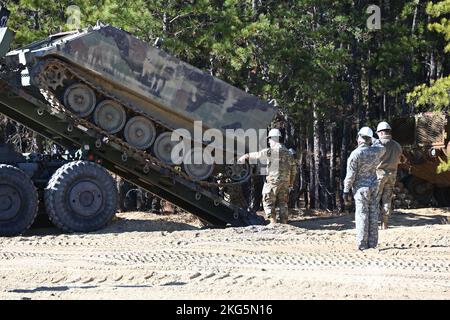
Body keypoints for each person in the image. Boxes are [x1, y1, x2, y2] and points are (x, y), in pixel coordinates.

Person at [238, 128, 296, 225]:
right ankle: (284, 222)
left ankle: (272, 222)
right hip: (285, 181)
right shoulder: (288, 153)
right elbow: (294, 169)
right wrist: (291, 182)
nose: (268, 141)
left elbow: (258, 154)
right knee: (283, 203)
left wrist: (245, 156)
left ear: (274, 139)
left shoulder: (271, 151)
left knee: (267, 200)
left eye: (269, 139)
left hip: (273, 181)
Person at [343, 127, 385, 250]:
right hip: (374, 187)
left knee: (362, 215)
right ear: (369, 139)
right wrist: (374, 139)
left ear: (359, 137)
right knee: (373, 215)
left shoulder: (355, 154)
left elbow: (350, 175)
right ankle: (373, 244)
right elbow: (381, 145)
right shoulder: (377, 151)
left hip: (361, 189)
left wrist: (346, 190)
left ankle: (362, 244)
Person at [373, 122, 403, 229]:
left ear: (380, 133)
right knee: (387, 200)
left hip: (378, 175)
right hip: (392, 175)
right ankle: (384, 223)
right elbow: (400, 160)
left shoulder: (377, 144)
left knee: (374, 199)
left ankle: (373, 223)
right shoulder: (397, 145)